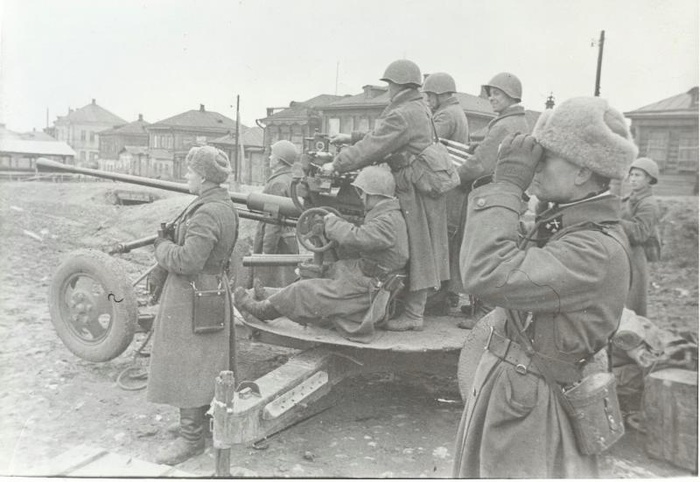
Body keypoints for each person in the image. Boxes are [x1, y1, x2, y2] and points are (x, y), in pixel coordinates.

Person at [453, 97, 638, 478]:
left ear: (582, 172)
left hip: (534, 410)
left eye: (546, 156)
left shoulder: (593, 249)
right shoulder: (567, 227)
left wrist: (508, 185)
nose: (535, 165)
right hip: (517, 393)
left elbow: (486, 272)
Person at [321, 59, 449, 331]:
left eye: (390, 84)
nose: (388, 89)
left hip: (410, 186)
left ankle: (413, 315)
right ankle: (411, 308)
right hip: (419, 183)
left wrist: (338, 164)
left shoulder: (403, 113)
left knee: (417, 247)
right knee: (421, 246)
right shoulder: (418, 107)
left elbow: (375, 145)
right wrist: (351, 137)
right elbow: (384, 135)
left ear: (399, 85)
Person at [234, 165, 408, 343]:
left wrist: (333, 223)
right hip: (367, 276)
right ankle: (274, 298)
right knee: (321, 272)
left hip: (368, 288)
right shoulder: (388, 216)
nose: (361, 197)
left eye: (363, 193)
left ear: (375, 194)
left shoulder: (387, 222)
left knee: (305, 291)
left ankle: (263, 310)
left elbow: (356, 237)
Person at [147, 146, 239, 466]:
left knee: (188, 364)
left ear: (202, 176)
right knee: (203, 362)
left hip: (192, 294)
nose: (186, 175)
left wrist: (161, 247)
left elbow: (188, 260)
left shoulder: (207, 212)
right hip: (208, 291)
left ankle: (191, 439)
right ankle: (198, 425)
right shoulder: (218, 204)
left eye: (190, 171)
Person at [457, 72, 529, 322]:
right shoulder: (516, 121)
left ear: (511, 95)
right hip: (507, 195)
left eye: (497, 93)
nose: (492, 98)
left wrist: (454, 176)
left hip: (494, 195)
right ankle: (484, 306)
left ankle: (485, 311)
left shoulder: (504, 125)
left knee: (485, 250)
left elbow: (480, 164)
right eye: (491, 93)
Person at [422, 72, 469, 314]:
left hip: (447, 188)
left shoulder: (446, 115)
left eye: (430, 95)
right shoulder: (455, 111)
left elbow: (424, 141)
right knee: (448, 240)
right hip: (454, 188)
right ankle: (448, 295)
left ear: (440, 94)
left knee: (441, 240)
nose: (428, 100)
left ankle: (439, 299)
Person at [252, 140, 300, 287]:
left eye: (272, 155)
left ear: (279, 160)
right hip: (288, 239)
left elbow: (272, 221)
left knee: (269, 287)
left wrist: (267, 253)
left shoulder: (277, 183)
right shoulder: (289, 179)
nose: (269, 158)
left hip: (278, 243)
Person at [620, 157, 661, 317]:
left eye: (638, 175)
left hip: (637, 254)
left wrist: (614, 220)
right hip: (623, 251)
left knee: (634, 298)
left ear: (649, 179)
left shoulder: (648, 204)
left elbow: (640, 234)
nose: (633, 179)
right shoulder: (628, 198)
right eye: (631, 175)